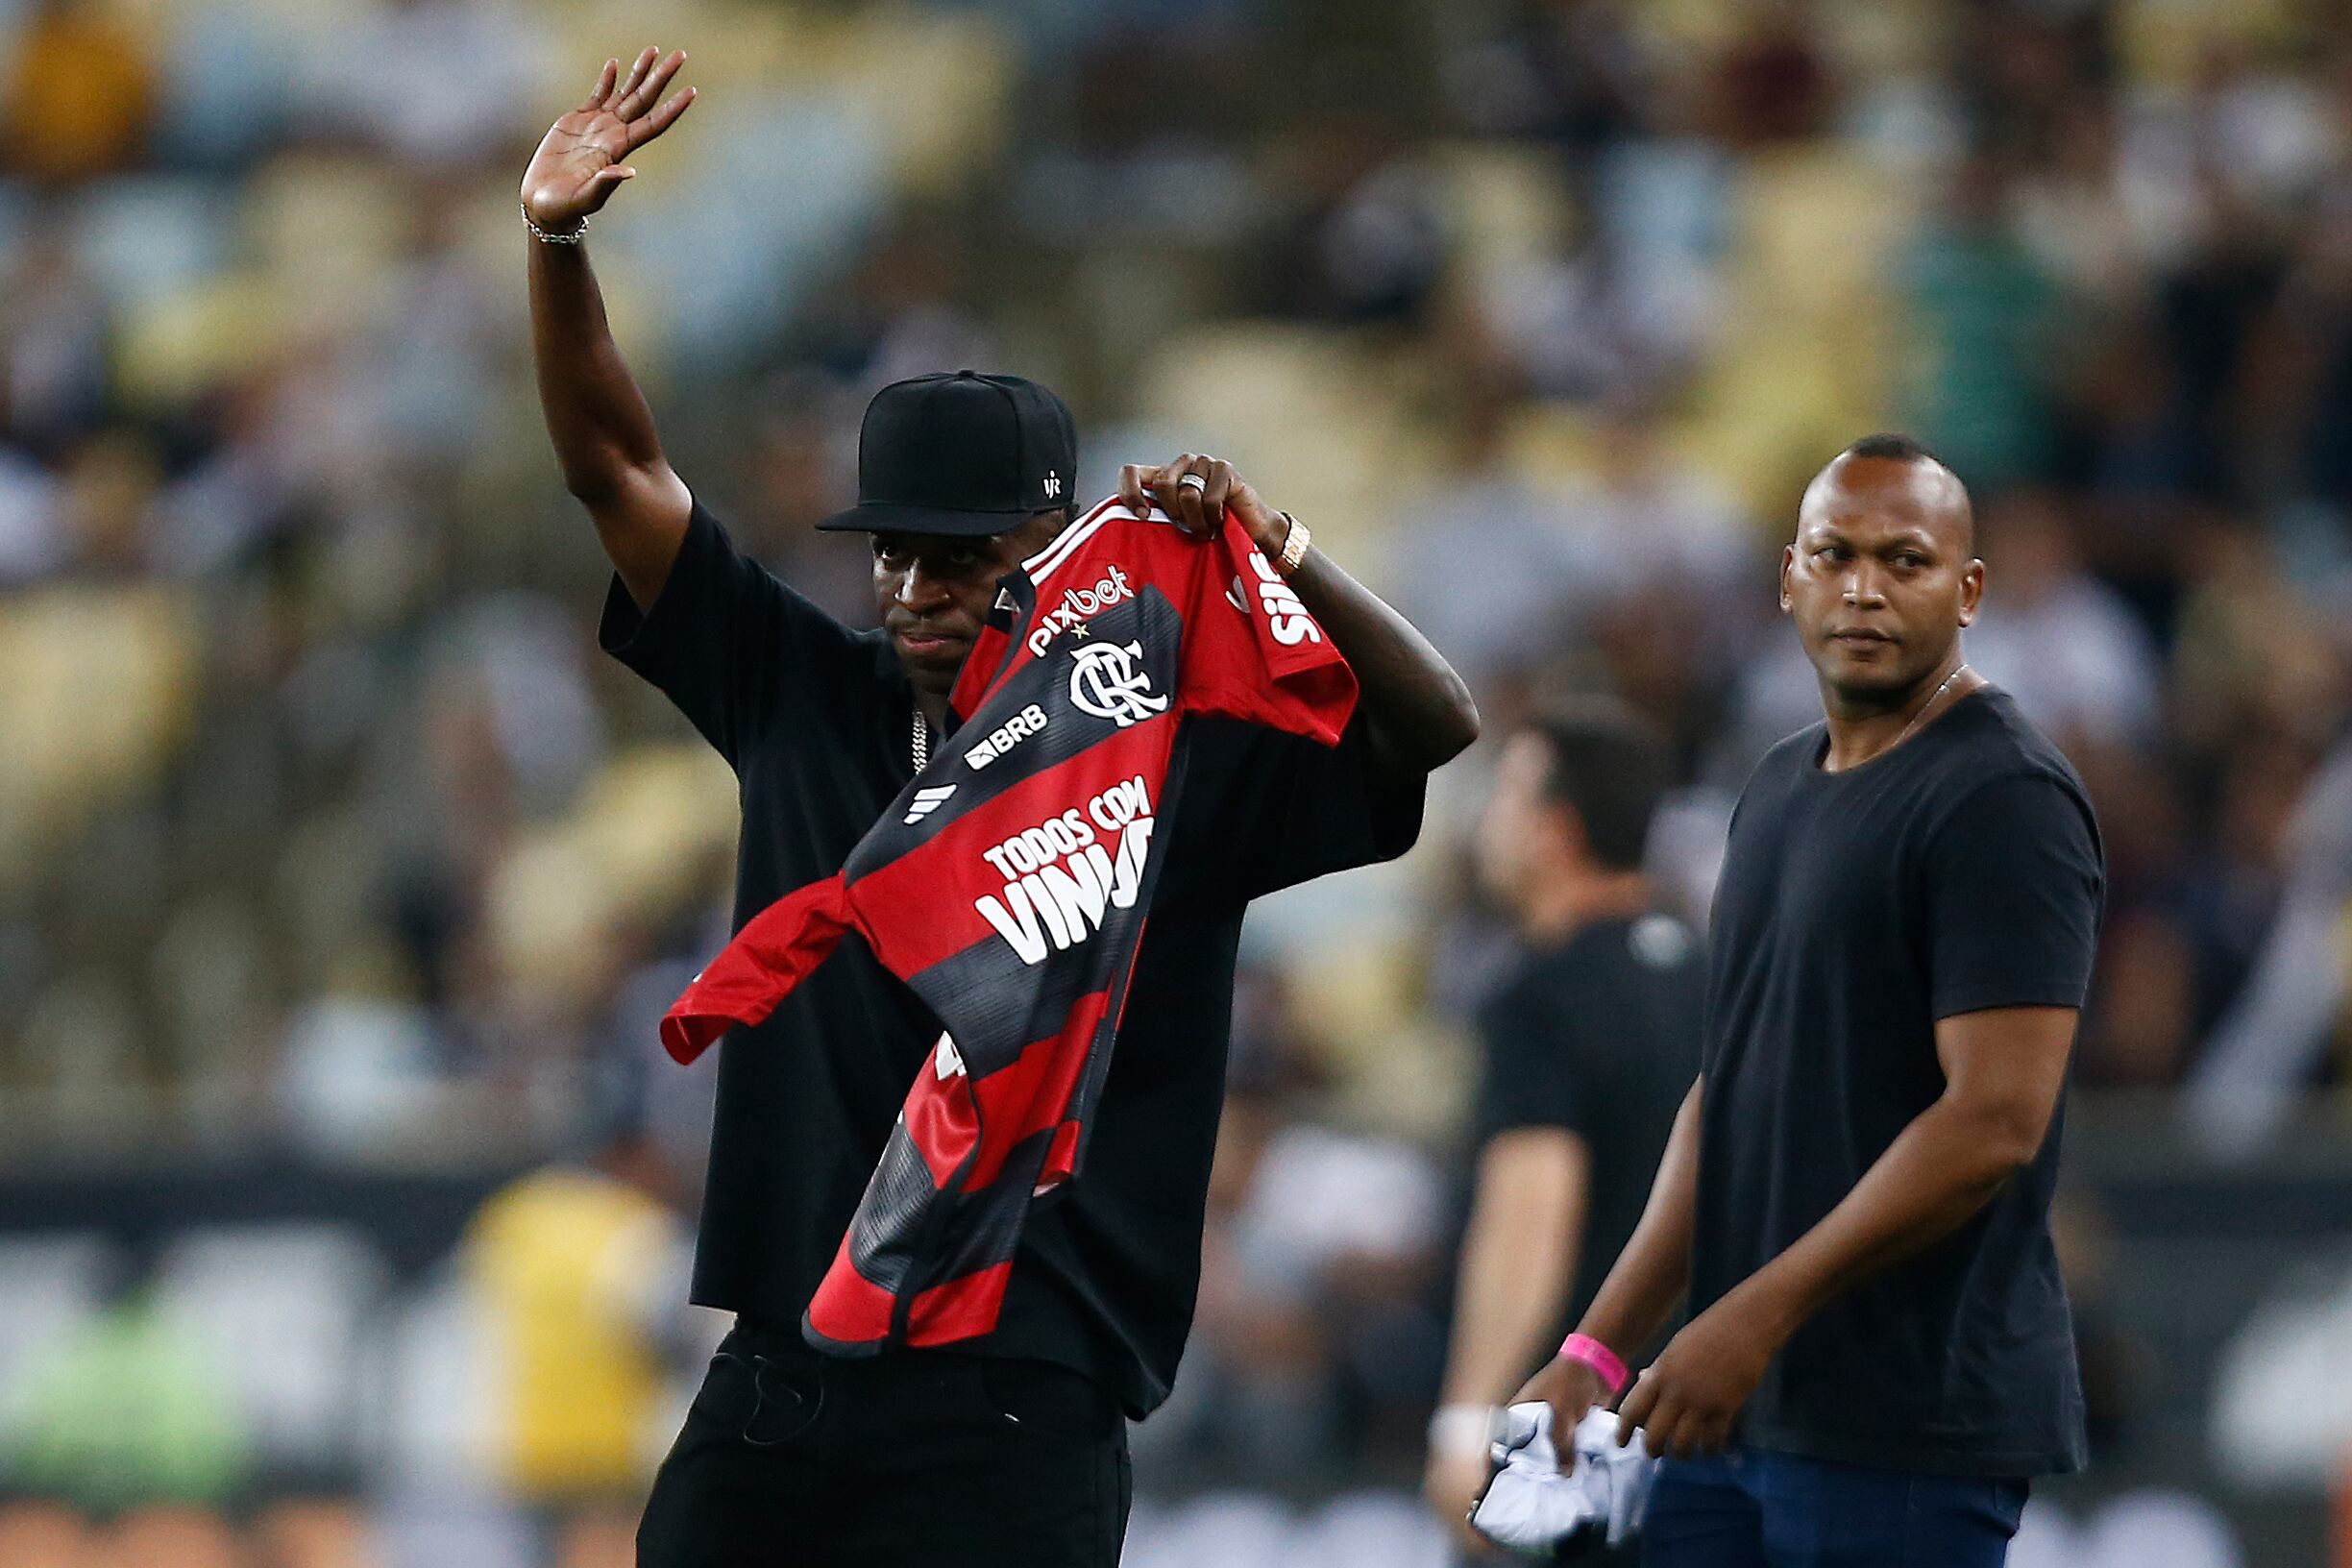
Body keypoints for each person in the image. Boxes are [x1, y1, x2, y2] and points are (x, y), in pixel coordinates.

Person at [520, 48, 1480, 1567]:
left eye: (959, 559)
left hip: (1024, 1392)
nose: (914, 588)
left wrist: (1282, 550)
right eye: (894, 550)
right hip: (785, 1367)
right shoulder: (801, 693)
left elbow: (1434, 726)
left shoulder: (1169, 751)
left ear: (1055, 556)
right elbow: (614, 467)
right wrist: (559, 245)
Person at [1513, 434, 2104, 1566]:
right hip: (1730, 1406)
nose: (1866, 588)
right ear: (1789, 576)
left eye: (1907, 560)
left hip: (1903, 1423)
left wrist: (1753, 1313)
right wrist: (1596, 1351)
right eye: (1836, 555)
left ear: (1970, 589)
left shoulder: (2004, 795)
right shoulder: (1778, 785)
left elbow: (1995, 1121)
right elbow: (1725, 1095)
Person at [1425, 708, 1703, 1560]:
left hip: (1581, 1432)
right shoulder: (1715, 971)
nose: (1488, 824)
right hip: (1716, 1416)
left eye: (1506, 796)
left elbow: (1531, 1211)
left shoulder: (1539, 993)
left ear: (1557, 831)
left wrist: (1474, 1417)